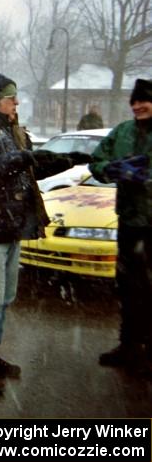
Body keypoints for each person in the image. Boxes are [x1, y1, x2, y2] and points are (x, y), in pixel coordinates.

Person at [0, 69, 89, 395]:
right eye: (9, 97)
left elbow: (30, 166)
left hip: (11, 228)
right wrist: (25, 156)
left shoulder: (12, 131)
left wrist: (69, 160)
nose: (16, 102)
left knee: (4, 299)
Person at [89, 78, 152, 377]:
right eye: (134, 102)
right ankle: (128, 346)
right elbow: (97, 160)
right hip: (129, 221)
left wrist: (147, 177)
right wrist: (110, 170)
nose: (138, 106)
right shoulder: (122, 131)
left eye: (144, 101)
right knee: (128, 286)